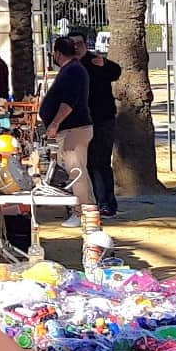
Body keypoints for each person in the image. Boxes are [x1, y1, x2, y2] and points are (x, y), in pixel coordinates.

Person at [39, 35, 94, 228]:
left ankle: (80, 213)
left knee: (75, 172)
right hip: (72, 129)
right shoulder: (71, 70)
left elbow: (68, 103)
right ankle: (89, 211)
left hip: (74, 129)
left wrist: (54, 123)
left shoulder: (73, 71)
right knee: (79, 171)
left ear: (58, 53)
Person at [70, 29, 122, 218]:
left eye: (79, 44)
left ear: (85, 44)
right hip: (80, 124)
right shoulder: (69, 66)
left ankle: (106, 203)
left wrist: (105, 63)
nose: (76, 48)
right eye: (72, 44)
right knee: (85, 164)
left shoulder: (96, 61)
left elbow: (116, 72)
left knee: (100, 162)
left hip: (102, 121)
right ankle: (92, 202)